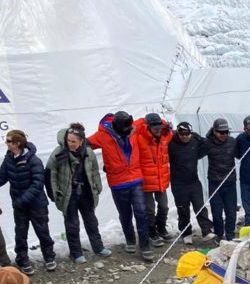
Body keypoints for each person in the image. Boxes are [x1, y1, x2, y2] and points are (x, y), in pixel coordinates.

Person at [0, 129, 55, 275]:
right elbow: (0, 178)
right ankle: (22, 259)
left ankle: (49, 257)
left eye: (9, 141)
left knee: (42, 231)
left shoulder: (34, 160)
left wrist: (22, 200)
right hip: (19, 205)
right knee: (20, 233)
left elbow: (37, 184)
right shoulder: (9, 159)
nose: (6, 143)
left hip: (36, 204)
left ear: (18, 143)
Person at [88, 111, 152, 261]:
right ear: (117, 127)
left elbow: (146, 120)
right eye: (126, 129)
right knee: (125, 214)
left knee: (141, 212)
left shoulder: (134, 127)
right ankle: (130, 240)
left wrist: (167, 124)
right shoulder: (102, 135)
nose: (130, 130)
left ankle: (145, 245)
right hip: (118, 182)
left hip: (136, 178)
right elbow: (83, 144)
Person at [45, 123, 111, 263]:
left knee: (91, 221)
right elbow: (51, 175)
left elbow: (94, 171)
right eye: (68, 140)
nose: (70, 144)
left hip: (85, 192)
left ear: (81, 141)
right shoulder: (58, 153)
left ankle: (98, 247)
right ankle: (76, 252)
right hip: (68, 194)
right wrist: (55, 194)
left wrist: (97, 187)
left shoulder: (88, 153)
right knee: (72, 224)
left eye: (73, 141)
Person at [167, 122, 213, 244]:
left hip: (193, 181)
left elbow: (207, 146)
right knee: (183, 209)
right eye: (182, 134)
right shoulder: (171, 144)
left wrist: (199, 138)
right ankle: (186, 233)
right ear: (178, 133)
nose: (185, 136)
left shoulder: (195, 141)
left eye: (187, 134)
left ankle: (206, 231)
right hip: (178, 183)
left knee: (200, 206)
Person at [133, 114, 172, 246]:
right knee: (149, 209)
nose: (157, 130)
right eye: (154, 128)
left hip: (161, 179)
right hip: (145, 181)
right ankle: (151, 232)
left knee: (164, 206)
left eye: (159, 127)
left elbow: (175, 134)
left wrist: (167, 126)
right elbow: (132, 130)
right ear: (148, 126)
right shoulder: (139, 138)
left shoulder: (166, 135)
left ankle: (161, 227)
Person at [204, 119, 239, 241]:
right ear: (214, 131)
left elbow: (241, 154)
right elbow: (194, 155)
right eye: (221, 132)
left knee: (231, 211)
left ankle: (230, 235)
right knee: (217, 212)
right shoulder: (207, 143)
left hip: (229, 182)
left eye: (226, 132)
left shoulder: (232, 142)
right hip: (214, 182)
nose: (224, 135)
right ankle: (219, 235)